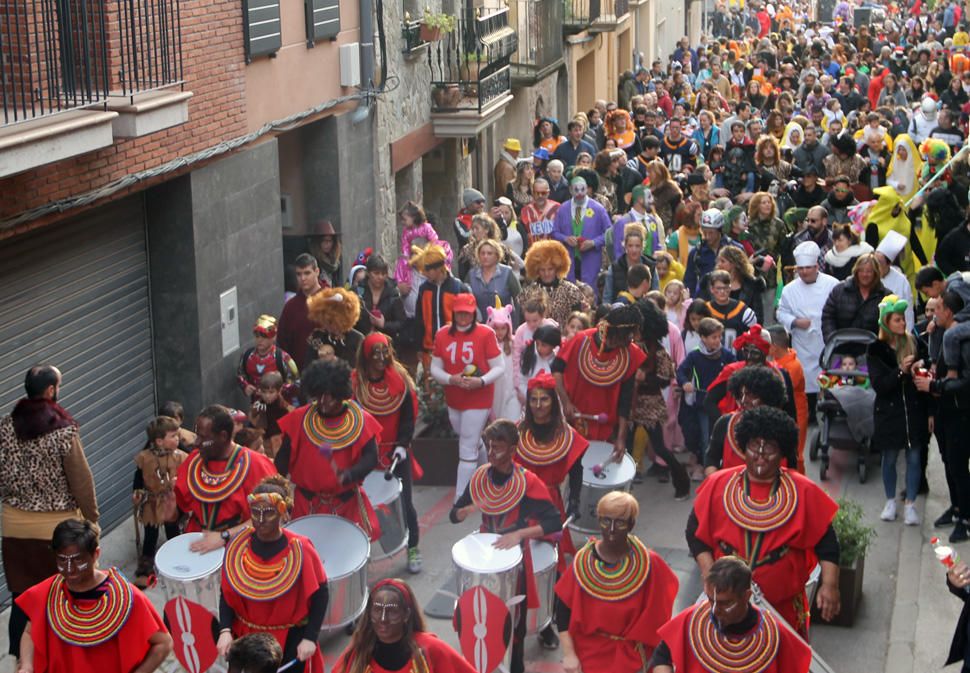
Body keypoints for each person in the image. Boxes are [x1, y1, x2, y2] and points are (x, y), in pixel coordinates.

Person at [687, 405, 842, 637]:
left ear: (782, 453)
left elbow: (827, 544)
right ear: (743, 447)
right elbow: (694, 533)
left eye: (769, 447)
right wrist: (710, 576)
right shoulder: (718, 485)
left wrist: (830, 585)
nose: (760, 454)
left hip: (783, 610)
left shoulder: (804, 491)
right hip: (725, 603)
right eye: (753, 446)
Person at [0, 365, 99, 659]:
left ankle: (22, 660)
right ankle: (63, 656)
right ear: (51, 391)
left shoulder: (5, 427)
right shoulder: (63, 430)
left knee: (23, 597)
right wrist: (92, 520)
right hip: (57, 533)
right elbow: (81, 480)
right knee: (64, 594)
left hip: (15, 531)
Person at [450, 420, 560, 673]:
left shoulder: (527, 482)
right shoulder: (480, 478)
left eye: (498, 448)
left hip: (515, 558)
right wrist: (464, 511)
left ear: (513, 451)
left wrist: (520, 534)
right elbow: (453, 515)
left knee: (514, 623)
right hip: (486, 555)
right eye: (489, 447)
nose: (491, 453)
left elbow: (554, 522)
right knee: (480, 618)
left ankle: (516, 666)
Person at [15, 519, 172, 673]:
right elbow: (29, 632)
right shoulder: (48, 593)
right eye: (62, 560)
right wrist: (27, 666)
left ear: (96, 554)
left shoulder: (127, 598)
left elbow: (164, 643)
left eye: (78, 560)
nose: (69, 569)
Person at [555, 491, 679, 673]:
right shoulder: (582, 563)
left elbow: (661, 617)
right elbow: (562, 612)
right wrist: (569, 654)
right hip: (589, 656)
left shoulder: (651, 563)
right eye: (606, 520)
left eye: (620, 522)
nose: (611, 529)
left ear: (631, 524)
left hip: (635, 658)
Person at [217, 476, 328, 673]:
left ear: (282, 512)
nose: (260, 519)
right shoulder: (236, 548)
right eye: (255, 512)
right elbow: (227, 594)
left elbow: (320, 594)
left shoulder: (301, 548)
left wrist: (310, 637)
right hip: (247, 640)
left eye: (268, 512)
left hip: (290, 639)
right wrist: (225, 630)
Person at [275, 360, 383, 539]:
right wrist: (277, 495)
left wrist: (351, 474)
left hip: (345, 505)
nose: (323, 401)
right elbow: (281, 462)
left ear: (341, 394)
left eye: (330, 396)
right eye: (319, 395)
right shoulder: (298, 419)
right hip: (306, 506)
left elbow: (371, 457)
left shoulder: (362, 421)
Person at [651, 556, 812, 673]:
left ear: (747, 596)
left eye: (725, 603)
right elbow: (662, 656)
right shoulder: (691, 620)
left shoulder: (775, 635)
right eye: (710, 600)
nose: (713, 610)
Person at [352, 332, 423, 573]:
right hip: (365, 456)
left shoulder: (401, 381)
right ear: (366, 357)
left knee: (405, 503)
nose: (381, 359)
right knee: (360, 506)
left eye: (385, 353)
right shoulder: (355, 385)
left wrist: (403, 445)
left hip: (396, 453)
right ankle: (360, 556)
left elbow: (408, 418)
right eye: (376, 354)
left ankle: (413, 548)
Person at [430, 293, 504, 502]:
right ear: (454, 313)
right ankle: (487, 474)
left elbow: (500, 367)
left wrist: (480, 382)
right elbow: (435, 367)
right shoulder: (442, 334)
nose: (464, 318)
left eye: (468, 314)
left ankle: (461, 497)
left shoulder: (486, 334)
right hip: (454, 397)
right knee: (468, 437)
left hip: (479, 398)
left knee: (466, 445)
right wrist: (450, 379)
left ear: (474, 313)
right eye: (460, 313)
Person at [515, 371, 587, 576]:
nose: (538, 405)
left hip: (551, 505)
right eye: (533, 399)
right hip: (520, 503)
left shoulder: (567, 435)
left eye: (544, 399)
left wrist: (574, 500)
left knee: (553, 564)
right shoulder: (515, 433)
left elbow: (576, 471)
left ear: (553, 402)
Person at [175, 405, 277, 551]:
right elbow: (178, 511)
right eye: (197, 435)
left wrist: (223, 536)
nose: (196, 442)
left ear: (223, 436)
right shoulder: (193, 461)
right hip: (197, 544)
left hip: (239, 546)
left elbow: (268, 517)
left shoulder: (256, 465)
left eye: (203, 437)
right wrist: (169, 510)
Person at [332, 578, 477, 673]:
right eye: (377, 610)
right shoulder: (358, 651)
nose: (383, 619)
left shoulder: (430, 648)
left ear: (406, 615)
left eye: (392, 611)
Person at [869, 295, 928, 526]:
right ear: (886, 322)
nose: (902, 324)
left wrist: (921, 369)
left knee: (914, 457)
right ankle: (890, 500)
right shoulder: (876, 349)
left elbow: (928, 366)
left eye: (903, 319)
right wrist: (901, 371)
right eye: (897, 320)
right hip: (889, 413)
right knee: (890, 457)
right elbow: (880, 385)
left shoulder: (913, 342)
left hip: (914, 410)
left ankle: (910, 503)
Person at [553, 305, 645, 453]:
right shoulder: (580, 340)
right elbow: (557, 369)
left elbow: (625, 400)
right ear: (616, 333)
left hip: (607, 427)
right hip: (575, 419)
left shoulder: (630, 354)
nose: (632, 339)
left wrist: (621, 438)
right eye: (629, 335)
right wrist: (565, 402)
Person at [631, 300, 691, 498]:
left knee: (660, 447)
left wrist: (645, 378)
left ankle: (681, 481)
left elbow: (665, 378)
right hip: (629, 404)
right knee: (625, 448)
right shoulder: (628, 346)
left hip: (650, 404)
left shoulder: (658, 351)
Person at [777, 241, 840, 419]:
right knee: (804, 380)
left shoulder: (832, 284)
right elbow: (781, 312)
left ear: (816, 266)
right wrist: (795, 321)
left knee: (827, 375)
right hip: (802, 342)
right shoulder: (790, 290)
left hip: (824, 340)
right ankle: (808, 411)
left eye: (808, 268)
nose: (804, 272)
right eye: (801, 268)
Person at [132, 416, 188, 589]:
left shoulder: (181, 457)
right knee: (150, 535)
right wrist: (137, 491)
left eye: (177, 435)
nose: (177, 439)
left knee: (173, 533)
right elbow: (138, 476)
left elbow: (188, 478)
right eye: (173, 436)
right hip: (151, 502)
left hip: (171, 501)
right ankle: (145, 569)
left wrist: (179, 483)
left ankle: (178, 564)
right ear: (159, 441)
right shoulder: (145, 457)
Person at [704, 365, 792, 475]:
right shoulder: (725, 423)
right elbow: (711, 458)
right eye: (741, 395)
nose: (744, 400)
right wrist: (718, 482)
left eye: (750, 395)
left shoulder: (783, 427)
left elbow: (791, 468)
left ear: (767, 397)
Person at [413, 243, 471, 374]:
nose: (424, 273)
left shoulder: (458, 288)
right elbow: (419, 320)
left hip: (455, 348)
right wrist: (419, 347)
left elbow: (469, 320)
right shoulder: (424, 289)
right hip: (430, 349)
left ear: (439, 268)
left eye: (427, 270)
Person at [553, 177, 611, 294]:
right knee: (569, 292)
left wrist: (594, 242)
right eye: (576, 190)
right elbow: (554, 232)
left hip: (591, 260)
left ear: (587, 189)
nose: (580, 193)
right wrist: (565, 239)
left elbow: (610, 233)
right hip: (569, 259)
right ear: (570, 190)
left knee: (590, 292)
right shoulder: (563, 208)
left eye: (583, 189)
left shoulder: (598, 209)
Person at [822, 253, 892, 340]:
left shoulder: (885, 296)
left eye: (869, 271)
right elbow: (828, 317)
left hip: (873, 348)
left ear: (875, 273)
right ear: (856, 271)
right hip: (841, 346)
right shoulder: (839, 291)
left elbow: (890, 324)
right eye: (861, 271)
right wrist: (832, 339)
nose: (864, 274)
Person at [518, 241, 585, 328]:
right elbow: (522, 324)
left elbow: (578, 323)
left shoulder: (571, 291)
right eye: (542, 270)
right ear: (537, 270)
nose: (546, 273)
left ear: (557, 268)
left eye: (550, 269)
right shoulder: (527, 293)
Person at [278, 253, 327, 370]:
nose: (303, 278)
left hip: (329, 373)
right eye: (299, 274)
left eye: (307, 273)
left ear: (317, 272)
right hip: (300, 375)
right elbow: (283, 344)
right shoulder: (290, 307)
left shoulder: (331, 301)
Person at [237, 315, 299, 402]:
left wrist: (278, 392)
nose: (260, 340)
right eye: (257, 336)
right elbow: (240, 375)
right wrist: (245, 386)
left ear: (273, 337)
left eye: (264, 337)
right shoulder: (247, 356)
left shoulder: (283, 358)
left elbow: (296, 382)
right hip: (257, 405)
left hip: (279, 407)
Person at [306, 287, 365, 366]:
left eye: (331, 322)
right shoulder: (317, 336)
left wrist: (339, 364)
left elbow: (363, 370)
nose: (327, 325)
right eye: (325, 320)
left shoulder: (357, 339)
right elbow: (308, 367)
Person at [353, 254, 406, 340]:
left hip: (386, 343)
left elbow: (402, 323)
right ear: (368, 273)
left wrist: (384, 325)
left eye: (383, 274)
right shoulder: (357, 291)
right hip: (361, 342)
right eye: (376, 273)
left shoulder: (393, 293)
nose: (380, 277)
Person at [467, 239, 521, 320]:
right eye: (482, 253)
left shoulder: (507, 273)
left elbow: (519, 300)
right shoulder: (471, 275)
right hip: (480, 325)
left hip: (504, 326)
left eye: (489, 253)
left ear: (497, 255)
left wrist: (517, 324)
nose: (485, 256)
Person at [875, 230, 916, 331]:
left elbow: (908, 312)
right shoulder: (867, 275)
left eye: (879, 263)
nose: (875, 266)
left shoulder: (901, 281)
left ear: (888, 264)